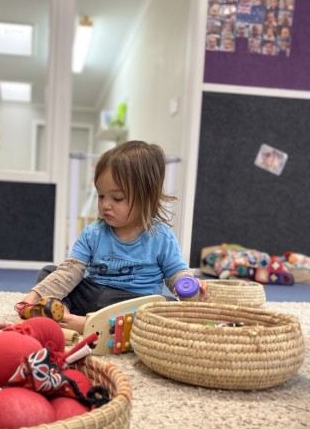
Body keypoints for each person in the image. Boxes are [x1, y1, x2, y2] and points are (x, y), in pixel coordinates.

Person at [16, 141, 202, 334]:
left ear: (147, 197)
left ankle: (88, 324)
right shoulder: (92, 233)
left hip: (131, 301)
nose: (105, 205)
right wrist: (32, 298)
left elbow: (175, 273)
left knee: (166, 305)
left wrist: (188, 285)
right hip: (90, 294)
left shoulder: (161, 236)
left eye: (117, 198)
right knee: (50, 271)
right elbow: (69, 272)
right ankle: (65, 316)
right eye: (101, 196)